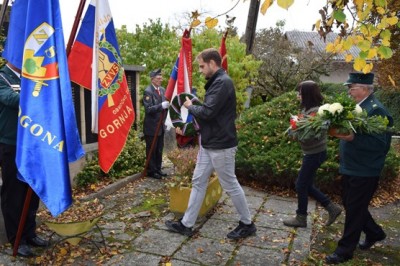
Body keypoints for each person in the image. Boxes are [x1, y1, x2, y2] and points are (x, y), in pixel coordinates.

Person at [165, 48, 256, 239]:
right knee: (198, 181)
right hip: (209, 143)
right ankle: (186, 224)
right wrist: (189, 127)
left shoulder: (222, 83)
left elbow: (207, 112)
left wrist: (190, 106)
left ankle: (247, 224)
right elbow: (210, 115)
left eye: (202, 66)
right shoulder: (217, 82)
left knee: (229, 183)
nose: (200, 70)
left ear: (213, 63)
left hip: (221, 144)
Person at [325, 73, 393, 264]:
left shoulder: (376, 110)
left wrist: (352, 138)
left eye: (351, 87)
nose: (349, 91)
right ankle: (374, 232)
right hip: (352, 167)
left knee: (354, 210)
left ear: (365, 88)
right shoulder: (358, 107)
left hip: (365, 170)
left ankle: (344, 251)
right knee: (352, 204)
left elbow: (380, 144)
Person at [0, 62, 49, 257]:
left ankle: (29, 233)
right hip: (11, 143)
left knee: (32, 189)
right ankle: (16, 239)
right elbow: (10, 99)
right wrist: (37, 96)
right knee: (13, 193)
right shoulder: (3, 77)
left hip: (33, 142)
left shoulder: (30, 75)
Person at [283, 81, 342, 228]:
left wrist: (296, 131)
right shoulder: (308, 110)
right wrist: (296, 126)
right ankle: (331, 208)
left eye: (300, 93)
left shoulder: (317, 112)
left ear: (307, 95)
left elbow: (308, 136)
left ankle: (301, 217)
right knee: (306, 184)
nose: (298, 96)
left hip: (315, 154)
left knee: (301, 185)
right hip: (311, 153)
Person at [143, 69, 170, 179]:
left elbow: (165, 108)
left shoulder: (162, 90)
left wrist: (167, 121)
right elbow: (148, 109)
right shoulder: (148, 91)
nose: (161, 80)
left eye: (161, 78)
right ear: (152, 79)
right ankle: (151, 170)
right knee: (152, 149)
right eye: (158, 78)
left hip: (161, 126)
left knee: (159, 149)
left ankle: (158, 169)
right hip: (152, 126)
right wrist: (161, 106)